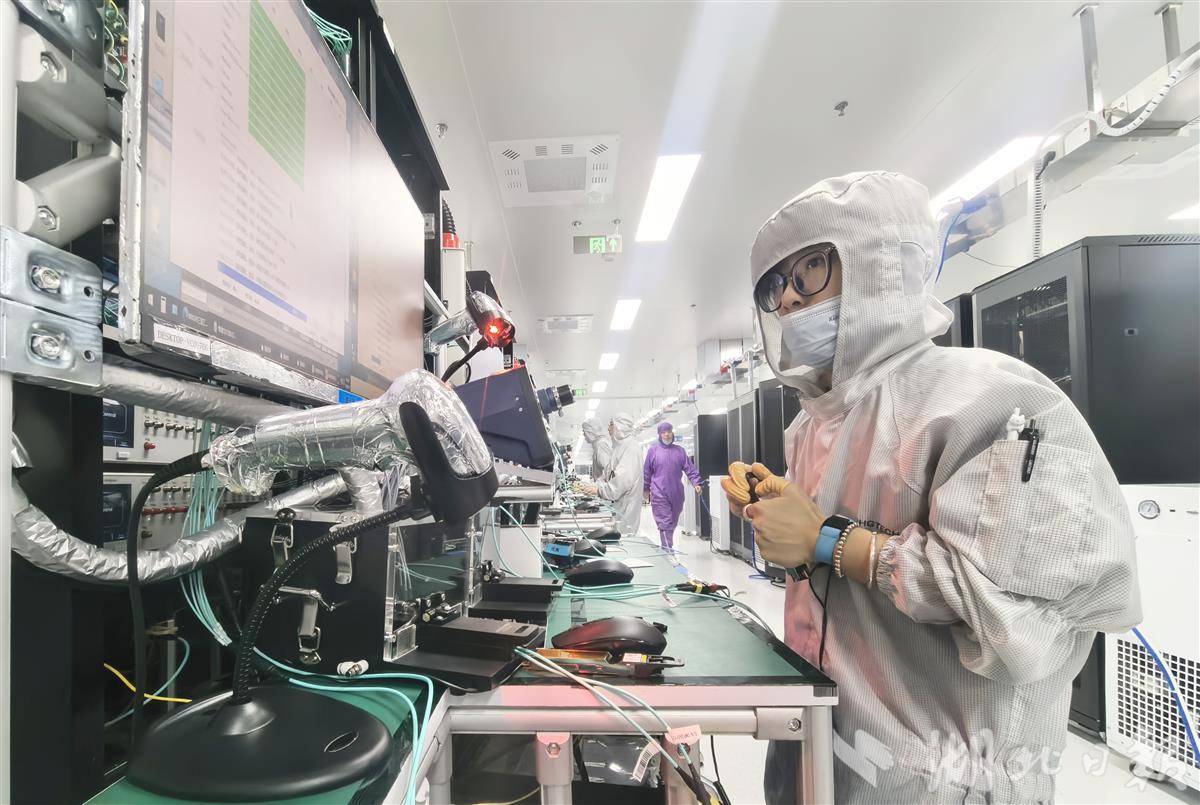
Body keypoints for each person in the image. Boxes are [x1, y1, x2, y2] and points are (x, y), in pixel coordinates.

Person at [722, 171, 1139, 804]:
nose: (787, 304)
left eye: (809, 271)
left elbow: (1014, 621)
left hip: (937, 779)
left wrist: (829, 539)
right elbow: (829, 581)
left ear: (880, 265)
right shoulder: (812, 424)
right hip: (821, 750)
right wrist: (785, 516)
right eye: (775, 287)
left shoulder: (987, 398)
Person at [577, 413, 643, 536]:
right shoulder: (619, 446)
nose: (608, 429)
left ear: (620, 426)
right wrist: (596, 486)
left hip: (625, 505)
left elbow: (623, 480)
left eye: (611, 425)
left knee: (623, 537)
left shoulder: (631, 448)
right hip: (617, 504)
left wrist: (600, 490)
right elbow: (607, 472)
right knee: (615, 535)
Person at [642, 421, 703, 553]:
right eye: (664, 432)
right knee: (665, 522)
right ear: (659, 434)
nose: (667, 435)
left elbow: (690, 469)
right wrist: (645, 489)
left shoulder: (679, 451)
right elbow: (647, 472)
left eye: (669, 432)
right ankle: (668, 550)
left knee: (672, 522)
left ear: (672, 432)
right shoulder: (653, 451)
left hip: (676, 493)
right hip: (659, 492)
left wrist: (696, 483)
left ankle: (667, 547)